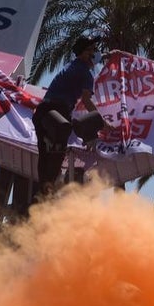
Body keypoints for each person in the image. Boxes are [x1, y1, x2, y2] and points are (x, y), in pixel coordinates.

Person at [31, 36, 103, 198]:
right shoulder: (85, 73)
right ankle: (47, 190)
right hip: (55, 113)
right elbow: (86, 101)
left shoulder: (72, 66)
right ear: (85, 53)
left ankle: (45, 191)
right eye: (92, 49)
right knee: (60, 142)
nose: (96, 53)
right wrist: (103, 123)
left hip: (44, 113)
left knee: (48, 152)